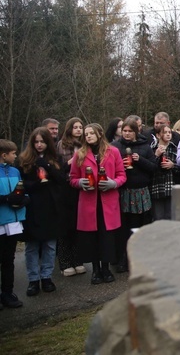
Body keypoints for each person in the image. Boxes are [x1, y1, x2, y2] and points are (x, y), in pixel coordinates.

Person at [69, 123, 126, 285]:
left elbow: (122, 175)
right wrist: (80, 182)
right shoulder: (80, 154)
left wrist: (113, 183)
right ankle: (95, 270)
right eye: (86, 134)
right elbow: (72, 178)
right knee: (91, 237)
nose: (88, 136)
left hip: (108, 201)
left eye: (91, 133)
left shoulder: (113, 151)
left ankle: (106, 268)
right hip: (89, 202)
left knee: (106, 236)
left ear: (100, 134)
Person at [19, 127, 63, 296]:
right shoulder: (25, 159)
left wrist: (49, 168)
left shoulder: (55, 159)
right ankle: (33, 279)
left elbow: (61, 180)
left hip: (51, 207)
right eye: (36, 142)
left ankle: (46, 276)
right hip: (33, 207)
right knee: (32, 246)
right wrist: (37, 184)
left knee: (50, 245)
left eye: (42, 142)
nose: (39, 145)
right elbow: (23, 184)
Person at [112, 117, 157, 273]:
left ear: (136, 132)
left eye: (130, 131)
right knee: (124, 227)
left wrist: (140, 160)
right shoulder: (115, 147)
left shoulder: (145, 146)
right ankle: (123, 259)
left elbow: (153, 167)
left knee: (139, 227)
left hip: (141, 191)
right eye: (124, 131)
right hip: (124, 191)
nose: (127, 134)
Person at [55, 117, 86, 276]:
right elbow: (58, 168)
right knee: (65, 226)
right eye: (75, 127)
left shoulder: (84, 145)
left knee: (78, 225)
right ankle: (65, 262)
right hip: (66, 188)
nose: (79, 130)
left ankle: (78, 259)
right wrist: (74, 161)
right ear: (69, 129)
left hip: (81, 187)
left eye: (81, 127)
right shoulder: (61, 145)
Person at [0, 139, 26, 308]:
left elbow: (21, 189)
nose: (15, 156)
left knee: (8, 259)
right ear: (4, 155)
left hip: (13, 221)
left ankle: (7, 293)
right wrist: (7, 199)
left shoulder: (16, 171)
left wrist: (24, 199)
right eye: (13, 153)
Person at [150, 125, 179, 221]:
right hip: (157, 187)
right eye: (165, 132)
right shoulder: (151, 149)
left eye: (169, 132)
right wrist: (156, 155)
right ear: (158, 135)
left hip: (171, 186)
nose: (168, 134)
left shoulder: (175, 148)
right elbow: (148, 166)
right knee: (158, 217)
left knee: (171, 216)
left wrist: (173, 165)